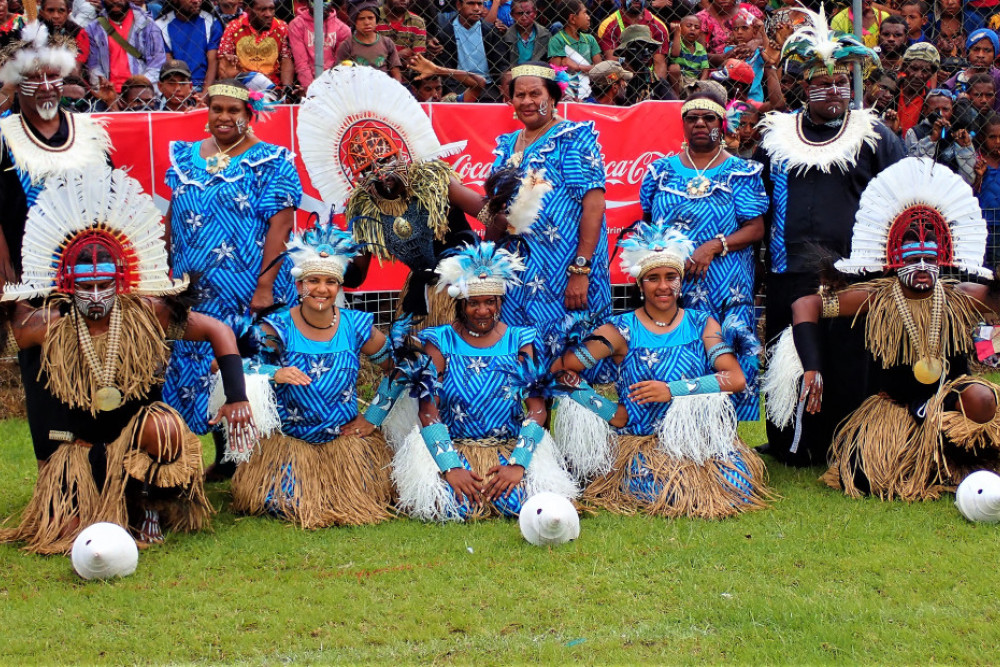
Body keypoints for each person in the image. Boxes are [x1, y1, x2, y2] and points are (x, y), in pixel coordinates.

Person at [0, 167, 254, 552]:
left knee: (165, 427)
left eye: (105, 285)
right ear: (67, 285)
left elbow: (218, 330)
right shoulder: (46, 325)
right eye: (85, 286)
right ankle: (92, 502)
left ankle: (147, 504)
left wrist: (236, 396)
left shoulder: (148, 313)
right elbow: (14, 331)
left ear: (120, 281)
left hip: (135, 439)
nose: (96, 296)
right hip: (78, 446)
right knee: (66, 531)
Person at [779, 158, 1000, 501]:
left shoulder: (961, 297)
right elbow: (806, 305)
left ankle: (961, 459)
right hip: (894, 406)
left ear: (943, 259)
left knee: (981, 398)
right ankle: (916, 459)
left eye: (930, 260)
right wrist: (812, 366)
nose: (923, 268)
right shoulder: (875, 298)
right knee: (868, 477)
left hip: (949, 399)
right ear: (894, 262)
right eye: (912, 260)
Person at [755, 7, 904, 466]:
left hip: (853, 271)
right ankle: (790, 443)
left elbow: (900, 194)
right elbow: (758, 201)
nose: (834, 91)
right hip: (789, 267)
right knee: (789, 356)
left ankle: (846, 443)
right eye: (823, 83)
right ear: (805, 88)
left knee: (847, 356)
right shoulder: (777, 137)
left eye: (841, 83)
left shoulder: (873, 135)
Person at [550, 222, 770, 518]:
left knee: (735, 483)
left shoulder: (702, 323)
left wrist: (671, 390)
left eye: (670, 277)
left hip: (696, 443)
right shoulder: (621, 330)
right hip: (644, 445)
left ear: (681, 281)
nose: (663, 286)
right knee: (667, 489)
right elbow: (561, 369)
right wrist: (611, 412)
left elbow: (735, 378)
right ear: (640, 285)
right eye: (653, 278)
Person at [162, 80, 301, 479]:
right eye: (216, 109)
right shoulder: (185, 157)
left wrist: (264, 287)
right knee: (197, 369)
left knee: (252, 364)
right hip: (192, 289)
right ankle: (219, 458)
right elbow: (174, 215)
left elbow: (281, 225)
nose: (223, 117)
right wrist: (163, 266)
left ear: (249, 115)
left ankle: (259, 464)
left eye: (233, 111)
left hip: (247, 285)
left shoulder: (272, 161)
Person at [393, 240, 579, 521]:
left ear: (499, 302)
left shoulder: (519, 340)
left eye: (490, 302)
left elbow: (537, 409)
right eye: (473, 303)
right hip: (456, 450)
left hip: (507, 451)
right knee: (451, 505)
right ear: (460, 303)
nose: (482, 311)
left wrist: (517, 465)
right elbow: (429, 410)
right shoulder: (440, 341)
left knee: (522, 503)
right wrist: (451, 467)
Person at [0, 25, 114, 468]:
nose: (47, 87)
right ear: (16, 82)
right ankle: (58, 473)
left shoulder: (89, 131)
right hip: (33, 278)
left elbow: (113, 201)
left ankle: (104, 468)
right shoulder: (5, 136)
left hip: (94, 273)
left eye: (54, 77)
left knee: (101, 365)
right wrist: (8, 283)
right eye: (35, 78)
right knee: (45, 372)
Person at [230, 224, 396, 528]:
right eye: (313, 281)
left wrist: (373, 417)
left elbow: (398, 370)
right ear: (298, 286)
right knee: (281, 501)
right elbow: (231, 364)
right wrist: (274, 373)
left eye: (330, 282)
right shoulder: (278, 326)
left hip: (344, 443)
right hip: (291, 445)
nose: (321, 289)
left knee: (357, 497)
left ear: (339, 286)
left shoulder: (355, 325)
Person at [297, 65, 485, 326]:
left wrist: (487, 265)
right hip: (423, 296)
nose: (380, 172)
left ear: (400, 155)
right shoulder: (366, 213)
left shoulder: (435, 182)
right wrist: (330, 260)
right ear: (359, 178)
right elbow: (357, 276)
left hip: (468, 288)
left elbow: (488, 213)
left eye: (385, 161)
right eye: (368, 169)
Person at [638, 93, 767, 421]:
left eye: (708, 118)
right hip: (673, 286)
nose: (699, 123)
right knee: (678, 352)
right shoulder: (660, 171)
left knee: (726, 350)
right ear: (683, 124)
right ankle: (674, 425)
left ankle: (726, 432)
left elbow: (755, 228)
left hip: (726, 284)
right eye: (692, 117)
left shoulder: (741, 171)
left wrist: (713, 245)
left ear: (721, 124)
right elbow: (649, 223)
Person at [486, 62, 611, 368]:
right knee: (520, 356)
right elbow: (494, 208)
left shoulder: (572, 138)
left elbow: (594, 205)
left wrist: (580, 270)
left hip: (563, 267)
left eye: (535, 94)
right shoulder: (506, 145)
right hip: (517, 268)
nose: (527, 101)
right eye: (519, 95)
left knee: (565, 360)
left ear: (553, 97)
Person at [85, 0, 166, 92]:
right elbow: (94, 67)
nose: (115, 0)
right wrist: (107, 90)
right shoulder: (94, 29)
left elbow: (157, 63)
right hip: (109, 92)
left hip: (143, 89)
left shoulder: (147, 24)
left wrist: (139, 87)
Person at [433, 0, 505, 100]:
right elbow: (444, 65)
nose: (476, 8)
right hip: (457, 84)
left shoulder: (490, 31)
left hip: (487, 85)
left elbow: (501, 63)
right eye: (471, 3)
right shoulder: (446, 32)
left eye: (479, 4)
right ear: (459, 5)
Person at [217, 0, 292, 91]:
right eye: (262, 10)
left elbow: (286, 59)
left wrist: (286, 88)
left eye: (271, 9)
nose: (268, 14)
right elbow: (224, 63)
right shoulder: (233, 27)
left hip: (272, 87)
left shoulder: (282, 27)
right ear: (248, 10)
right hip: (241, 85)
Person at [905, 88, 976, 183]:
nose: (941, 114)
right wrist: (932, 140)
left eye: (945, 109)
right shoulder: (915, 133)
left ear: (952, 110)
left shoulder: (960, 133)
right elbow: (914, 169)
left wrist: (963, 148)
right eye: (936, 110)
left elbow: (970, 177)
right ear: (925, 110)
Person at [154, 0, 222, 90]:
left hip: (204, 85)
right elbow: (168, 64)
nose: (196, 1)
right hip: (177, 86)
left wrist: (205, 93)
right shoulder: (160, 25)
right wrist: (182, 90)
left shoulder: (211, 21)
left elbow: (213, 62)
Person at [598, 0, 669, 80]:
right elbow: (613, 64)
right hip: (622, 79)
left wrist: (656, 85)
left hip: (650, 78)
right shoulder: (608, 26)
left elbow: (659, 64)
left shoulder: (659, 27)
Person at [334, 0, 402, 81]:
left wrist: (395, 87)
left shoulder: (387, 43)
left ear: (376, 20)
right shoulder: (347, 46)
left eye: (370, 18)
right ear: (354, 21)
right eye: (361, 19)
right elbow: (339, 73)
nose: (367, 22)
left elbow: (396, 72)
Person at [288, 0, 350, 89]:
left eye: (325, 0)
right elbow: (301, 63)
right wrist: (311, 89)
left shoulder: (343, 29)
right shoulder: (297, 25)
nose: (321, 5)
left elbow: (339, 65)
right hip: (307, 81)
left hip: (332, 82)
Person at [547, 0, 601, 100]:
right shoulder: (557, 40)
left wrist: (577, 67)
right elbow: (557, 72)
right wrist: (590, 68)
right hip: (566, 95)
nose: (588, 17)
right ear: (572, 19)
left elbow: (600, 70)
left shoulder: (590, 39)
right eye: (584, 13)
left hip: (589, 92)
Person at [942, 27, 1000, 109]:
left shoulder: (997, 77)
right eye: (976, 49)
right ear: (968, 52)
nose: (980, 55)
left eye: (987, 50)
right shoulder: (958, 78)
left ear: (994, 54)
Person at [616, 24, 675, 103]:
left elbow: (672, 105)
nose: (647, 53)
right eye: (640, 47)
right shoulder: (615, 79)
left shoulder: (656, 82)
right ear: (625, 51)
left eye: (650, 48)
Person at [894, 43, 940, 136]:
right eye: (914, 69)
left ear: (931, 73)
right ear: (905, 67)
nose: (918, 75)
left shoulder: (930, 101)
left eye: (925, 71)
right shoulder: (890, 91)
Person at [973, 113, 1000, 268]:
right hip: (984, 223)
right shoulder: (978, 160)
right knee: (985, 266)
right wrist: (979, 176)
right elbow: (972, 192)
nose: (998, 142)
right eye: (992, 137)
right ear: (982, 138)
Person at [408, 52, 486, 101]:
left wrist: (437, 70)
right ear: (414, 90)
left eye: (438, 88)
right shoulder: (408, 108)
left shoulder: (447, 102)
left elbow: (480, 83)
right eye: (428, 89)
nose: (435, 95)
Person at [695, 0, 761, 56]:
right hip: (718, 65)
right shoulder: (702, 18)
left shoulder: (747, 10)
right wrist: (725, 56)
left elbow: (762, 37)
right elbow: (700, 54)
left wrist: (756, 42)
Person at [37, 0, 90, 69]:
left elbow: (75, 69)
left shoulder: (78, 33)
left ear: (68, 12)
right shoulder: (32, 30)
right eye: (50, 10)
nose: (56, 16)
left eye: (61, 11)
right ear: (42, 13)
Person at [668, 13, 708, 96]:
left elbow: (705, 69)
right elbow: (675, 53)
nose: (693, 29)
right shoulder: (676, 44)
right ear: (680, 28)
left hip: (694, 81)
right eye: (689, 26)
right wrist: (677, 34)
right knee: (674, 68)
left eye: (697, 27)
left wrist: (700, 84)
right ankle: (676, 96)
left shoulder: (701, 49)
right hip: (680, 80)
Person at [503, 0, 548, 67]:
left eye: (528, 13)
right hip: (514, 71)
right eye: (519, 13)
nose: (524, 17)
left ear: (535, 13)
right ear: (512, 15)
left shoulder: (545, 35)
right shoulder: (506, 37)